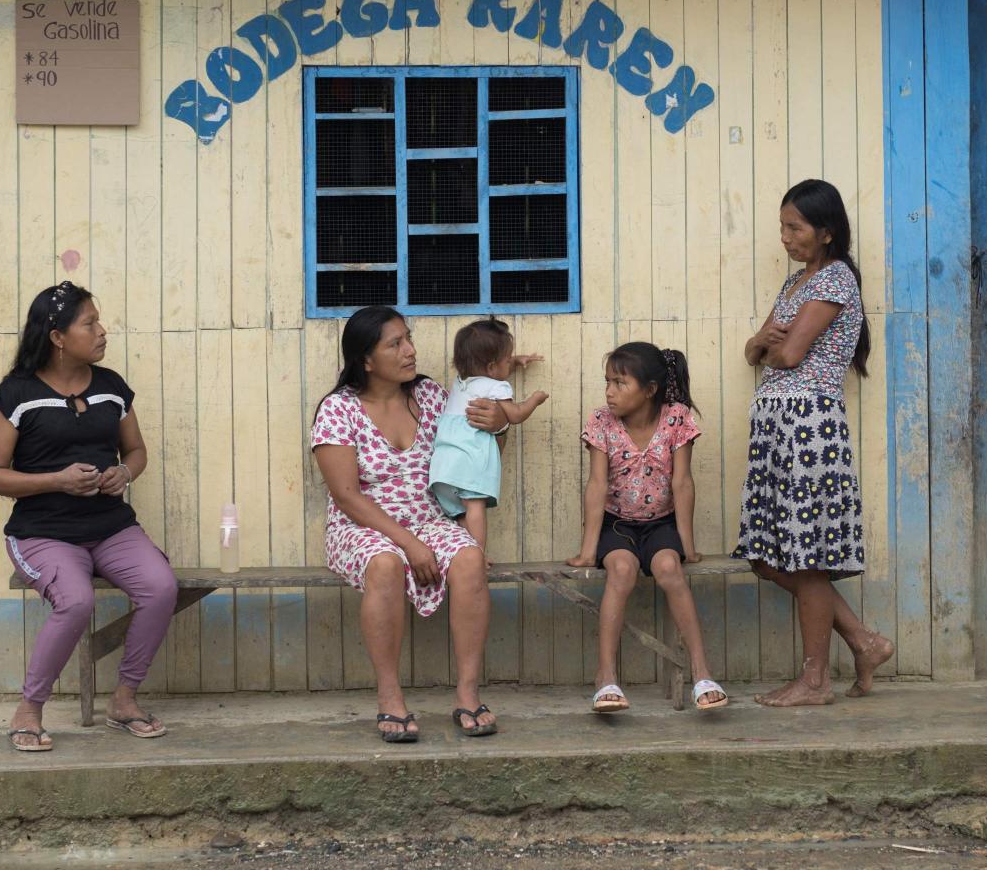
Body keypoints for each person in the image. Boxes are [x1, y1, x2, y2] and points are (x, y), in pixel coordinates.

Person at [0, 281, 177, 752]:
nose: (102, 331)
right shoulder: (15, 395)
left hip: (109, 525)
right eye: (89, 323)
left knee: (162, 587)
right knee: (76, 601)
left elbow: (137, 450)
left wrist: (123, 474)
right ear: (58, 336)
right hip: (43, 532)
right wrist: (57, 480)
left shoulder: (111, 389)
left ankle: (124, 699)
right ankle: (29, 709)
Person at [311, 306, 511, 742]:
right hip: (360, 526)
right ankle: (390, 698)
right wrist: (409, 545)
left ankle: (468, 693)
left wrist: (498, 425)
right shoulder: (337, 410)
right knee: (385, 563)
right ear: (366, 359)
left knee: (470, 559)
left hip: (428, 519)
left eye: (409, 338)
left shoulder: (433, 398)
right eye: (395, 344)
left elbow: (472, 452)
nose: (410, 351)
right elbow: (347, 495)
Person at [733, 178, 894, 707]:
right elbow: (757, 351)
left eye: (794, 227)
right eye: (782, 226)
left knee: (806, 559)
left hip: (808, 429)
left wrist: (772, 347)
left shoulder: (836, 280)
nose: (784, 237)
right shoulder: (795, 284)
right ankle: (863, 642)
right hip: (779, 429)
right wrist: (763, 344)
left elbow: (788, 356)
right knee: (766, 554)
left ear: (826, 233)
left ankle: (816, 679)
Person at [566, 342, 728, 712]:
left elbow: (682, 483)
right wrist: (589, 549)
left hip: (660, 525)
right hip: (617, 525)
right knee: (621, 571)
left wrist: (686, 544)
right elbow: (596, 485)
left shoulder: (677, 419)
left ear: (650, 390)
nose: (609, 391)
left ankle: (702, 673)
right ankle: (605, 676)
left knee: (670, 568)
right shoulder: (601, 422)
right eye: (607, 381)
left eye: (620, 383)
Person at [428, 318, 548, 556]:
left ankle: (466, 552)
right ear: (493, 367)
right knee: (475, 508)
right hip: (470, 461)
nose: (510, 363)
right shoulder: (497, 386)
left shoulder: (461, 382)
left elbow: (486, 368)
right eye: (507, 359)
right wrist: (535, 399)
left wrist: (513, 361)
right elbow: (515, 415)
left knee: (462, 514)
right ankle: (478, 556)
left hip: (443, 466)